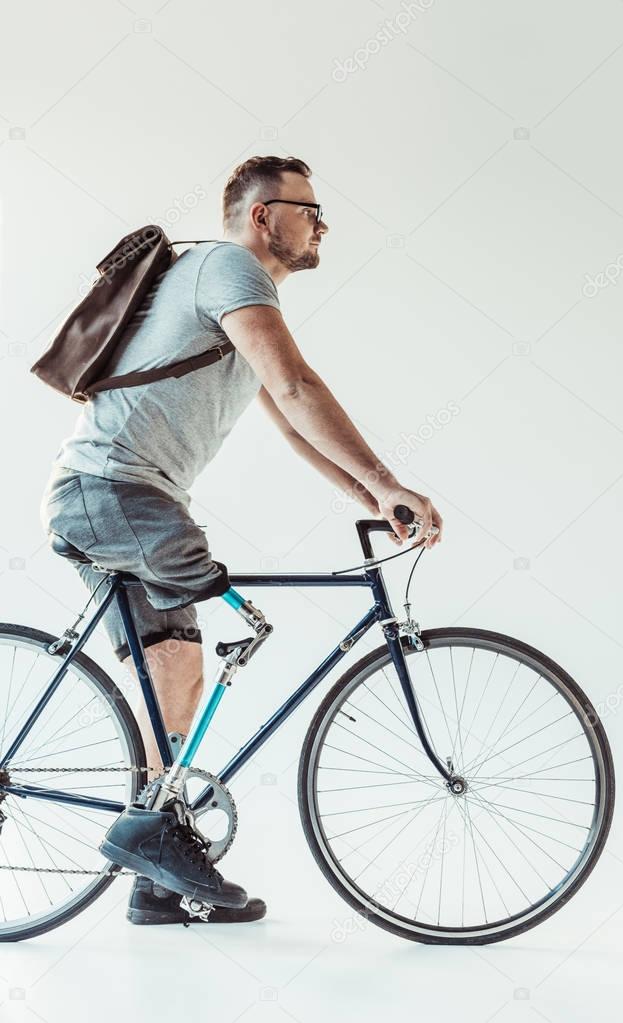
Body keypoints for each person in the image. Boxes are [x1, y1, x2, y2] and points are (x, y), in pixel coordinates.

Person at [39, 155, 443, 926]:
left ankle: (153, 876)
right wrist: (391, 480)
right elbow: (297, 384)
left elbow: (289, 422)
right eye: (309, 208)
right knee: (210, 641)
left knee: (175, 672)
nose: (322, 223)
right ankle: (154, 832)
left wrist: (371, 497)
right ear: (263, 216)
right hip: (114, 491)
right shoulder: (229, 268)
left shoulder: (224, 294)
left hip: (113, 500)